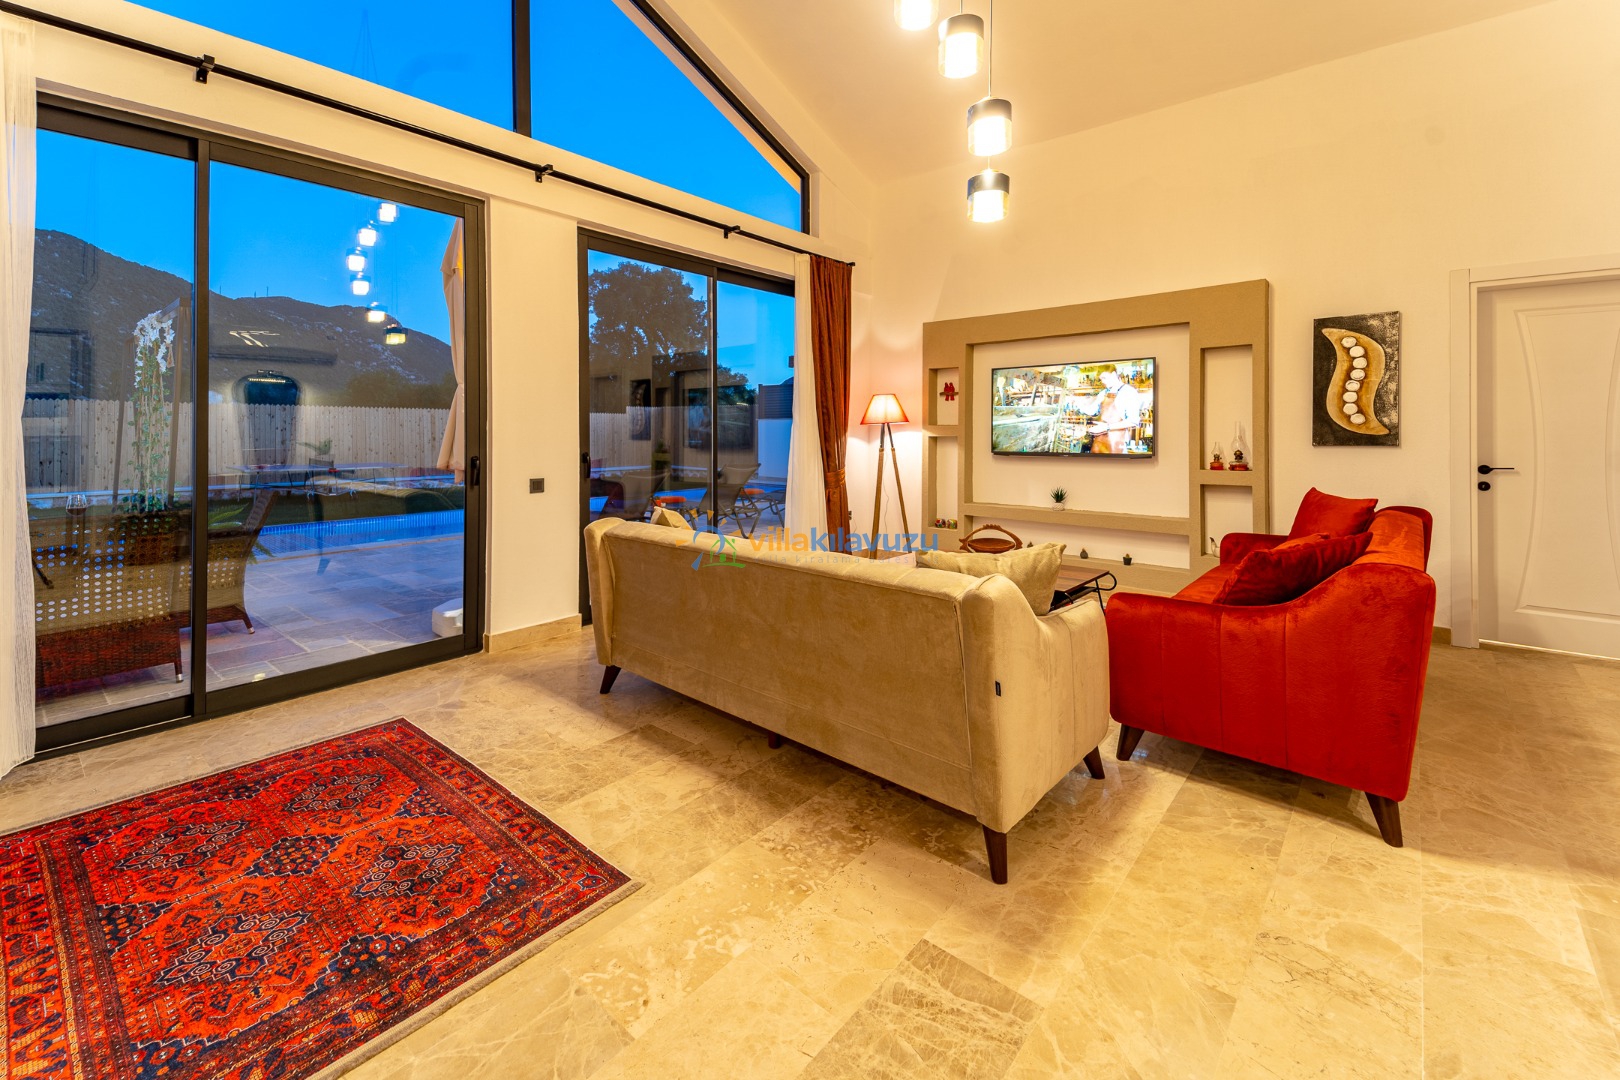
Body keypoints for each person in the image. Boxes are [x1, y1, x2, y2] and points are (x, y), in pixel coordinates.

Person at [1084, 368, 1143, 454]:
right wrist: (1082, 404)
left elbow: (1133, 421)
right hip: (1099, 440)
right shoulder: (1103, 393)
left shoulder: (1128, 392)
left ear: (1114, 374)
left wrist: (1107, 427)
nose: (1103, 381)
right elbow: (1092, 411)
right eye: (1101, 379)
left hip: (1117, 442)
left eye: (1104, 378)